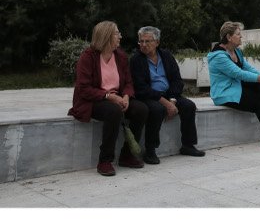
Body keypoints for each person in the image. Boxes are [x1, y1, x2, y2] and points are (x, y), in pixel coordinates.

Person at [69, 21, 148, 176]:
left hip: (116, 97)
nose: (120, 36)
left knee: (141, 109)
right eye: (117, 33)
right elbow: (84, 88)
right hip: (93, 100)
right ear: (106, 36)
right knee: (114, 111)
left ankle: (127, 155)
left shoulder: (121, 56)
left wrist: (125, 96)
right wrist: (109, 97)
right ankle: (105, 160)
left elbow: (128, 82)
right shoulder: (88, 57)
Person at [129, 26, 205, 164]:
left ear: (157, 42)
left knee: (189, 106)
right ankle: (150, 150)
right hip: (149, 96)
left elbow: (177, 80)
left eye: (148, 41)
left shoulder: (166, 56)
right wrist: (165, 103)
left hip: (170, 94)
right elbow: (141, 88)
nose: (144, 45)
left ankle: (188, 145)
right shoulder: (136, 60)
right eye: (141, 41)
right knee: (157, 110)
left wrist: (172, 100)